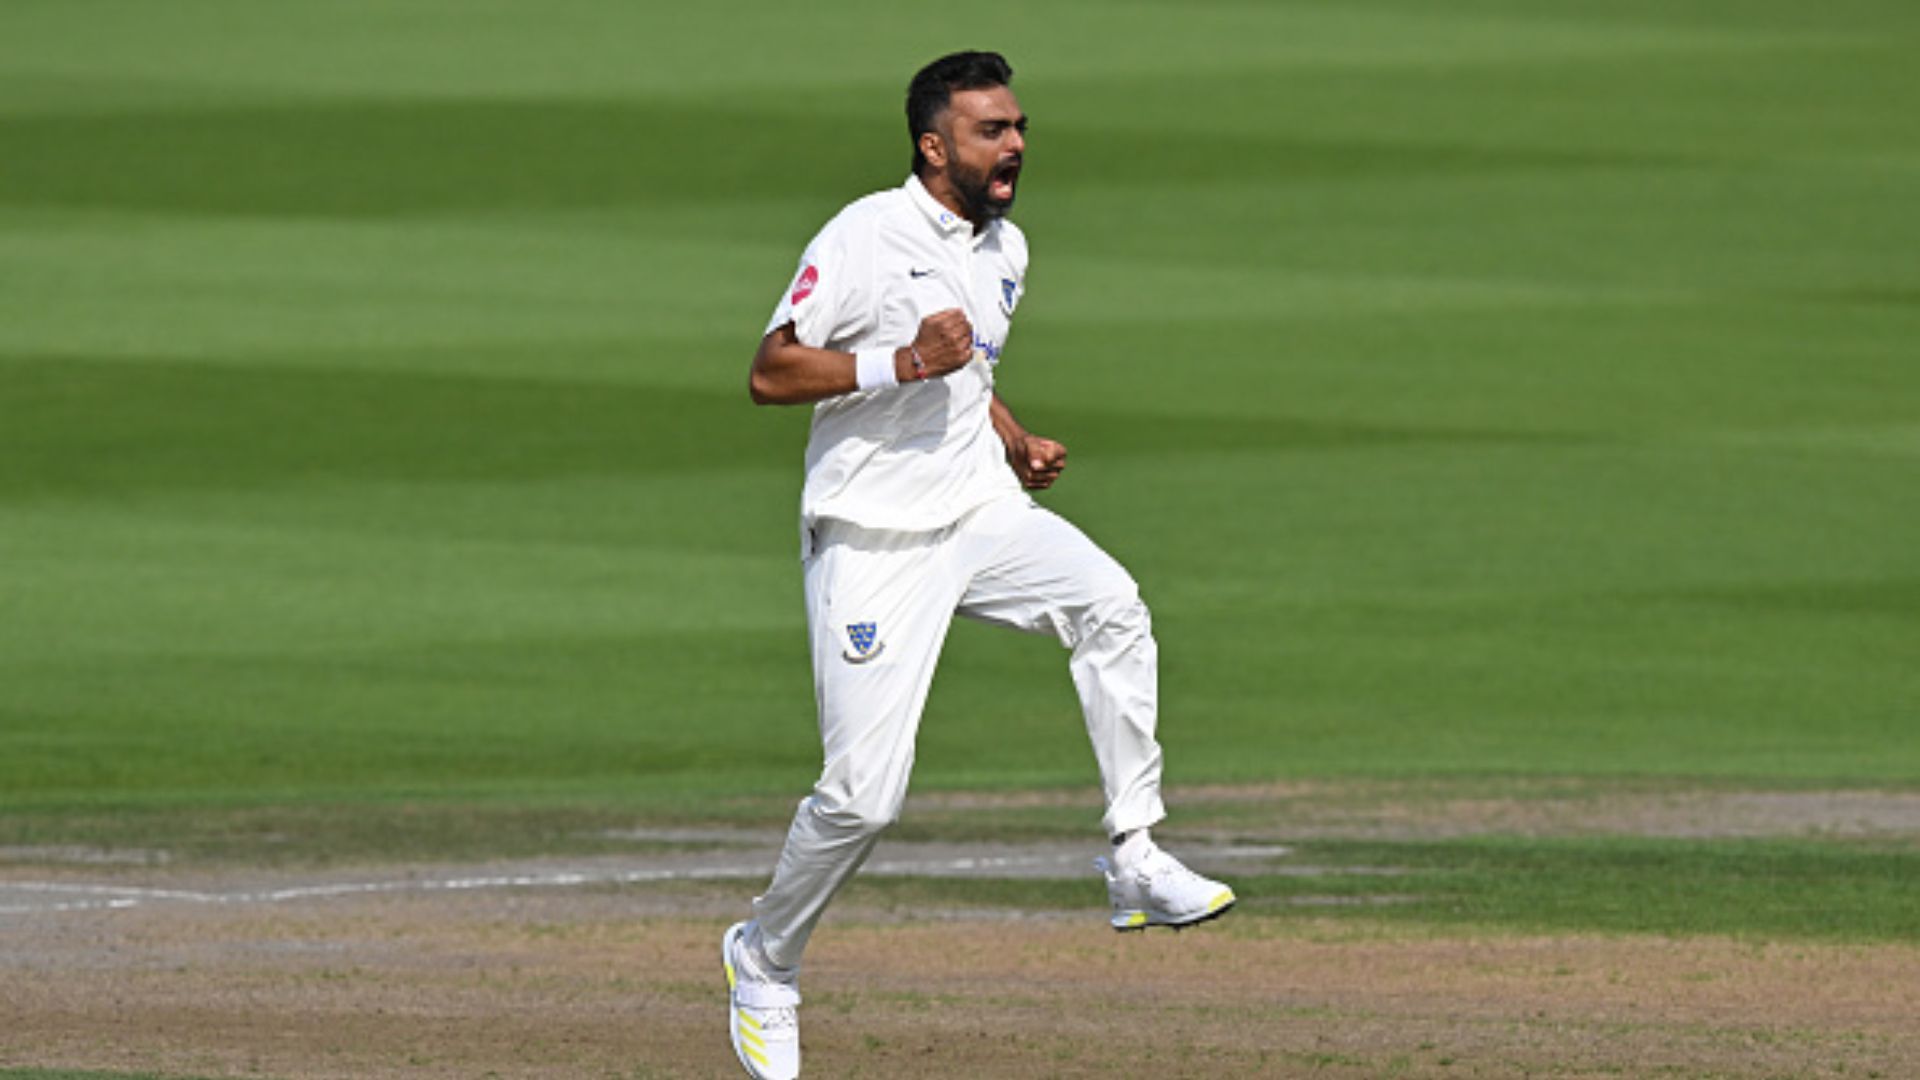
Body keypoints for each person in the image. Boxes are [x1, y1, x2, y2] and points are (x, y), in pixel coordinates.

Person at [721, 50, 1234, 1080]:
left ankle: (1133, 853)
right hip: (872, 537)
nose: (1014, 147)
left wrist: (1007, 434)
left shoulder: (1006, 247)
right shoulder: (867, 234)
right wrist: (896, 362)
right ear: (933, 144)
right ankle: (764, 959)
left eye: (1018, 127)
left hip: (979, 515)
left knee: (1114, 608)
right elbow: (770, 371)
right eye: (992, 131)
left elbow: (970, 366)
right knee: (865, 798)